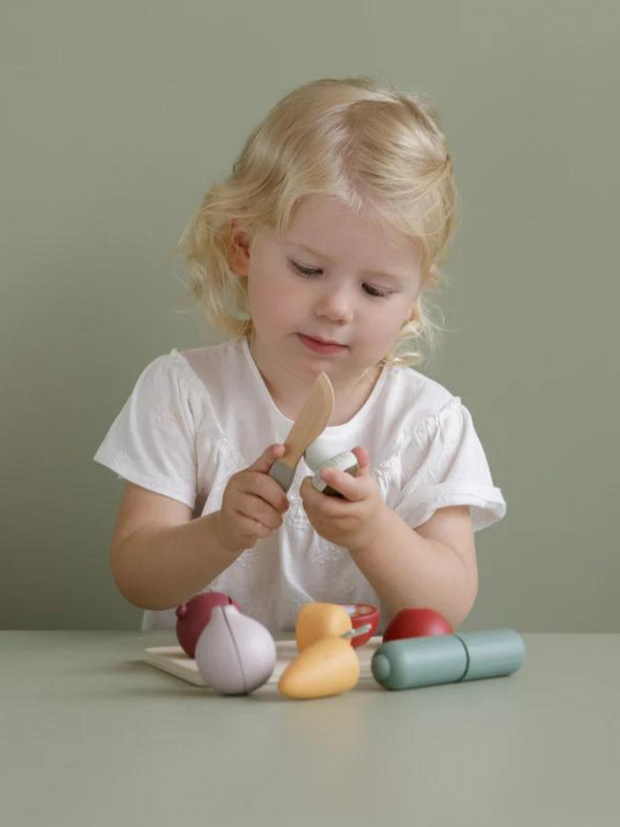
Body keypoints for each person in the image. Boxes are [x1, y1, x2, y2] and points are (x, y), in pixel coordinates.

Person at [94, 76, 506, 635]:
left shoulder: (428, 423)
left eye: (376, 290)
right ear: (242, 247)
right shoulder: (182, 392)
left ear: (413, 299)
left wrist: (372, 530)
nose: (337, 308)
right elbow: (137, 575)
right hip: (198, 702)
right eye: (308, 270)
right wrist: (219, 533)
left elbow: (448, 605)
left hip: (364, 704)